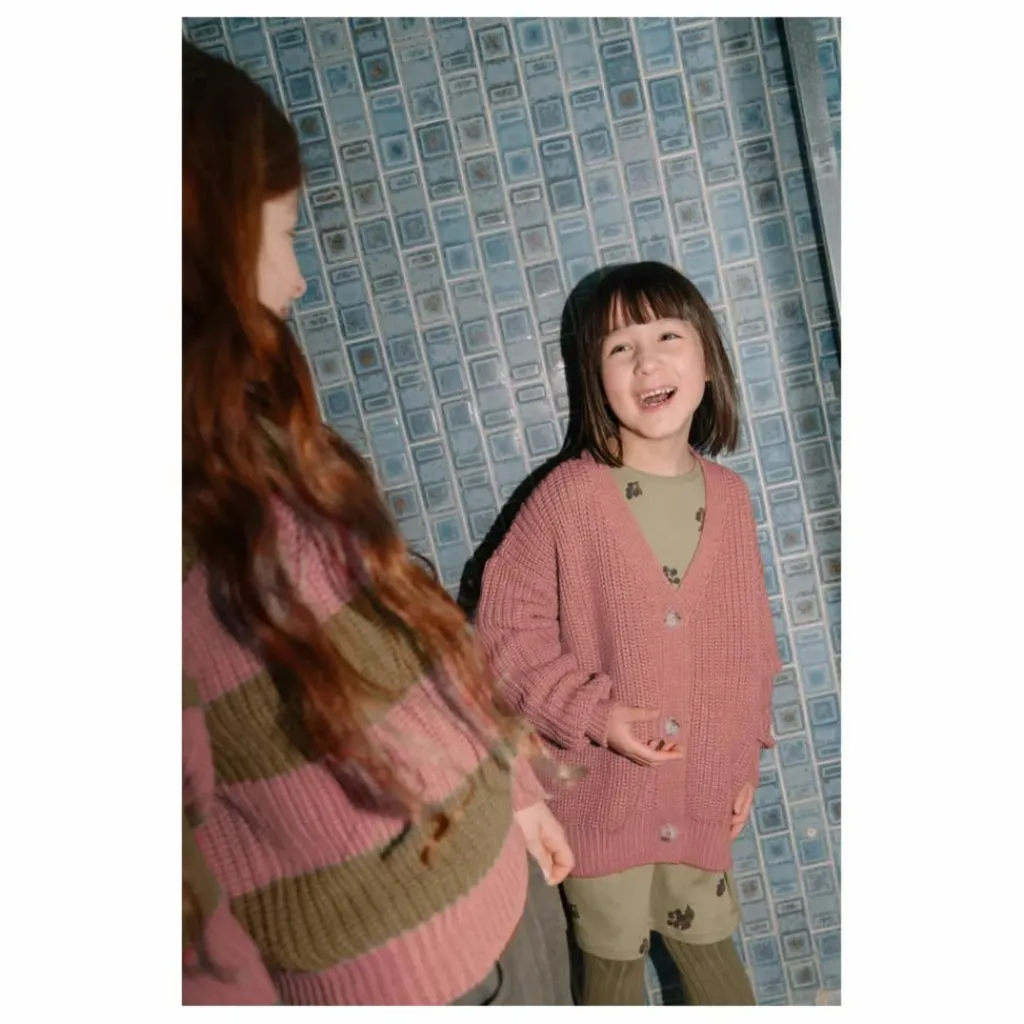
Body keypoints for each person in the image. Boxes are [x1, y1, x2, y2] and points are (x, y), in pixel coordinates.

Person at [181, 40, 574, 1006]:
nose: (298, 281)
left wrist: (514, 791)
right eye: (281, 235)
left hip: (507, 894)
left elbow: (408, 642)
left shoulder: (257, 436)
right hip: (400, 981)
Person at [474, 261, 781, 1006]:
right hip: (598, 805)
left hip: (700, 796)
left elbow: (751, 649)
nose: (647, 362)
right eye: (620, 347)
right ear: (595, 378)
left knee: (718, 976)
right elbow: (501, 636)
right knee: (611, 981)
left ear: (707, 357)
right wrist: (592, 714)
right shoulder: (569, 497)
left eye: (668, 336)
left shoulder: (732, 498)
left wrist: (742, 758)